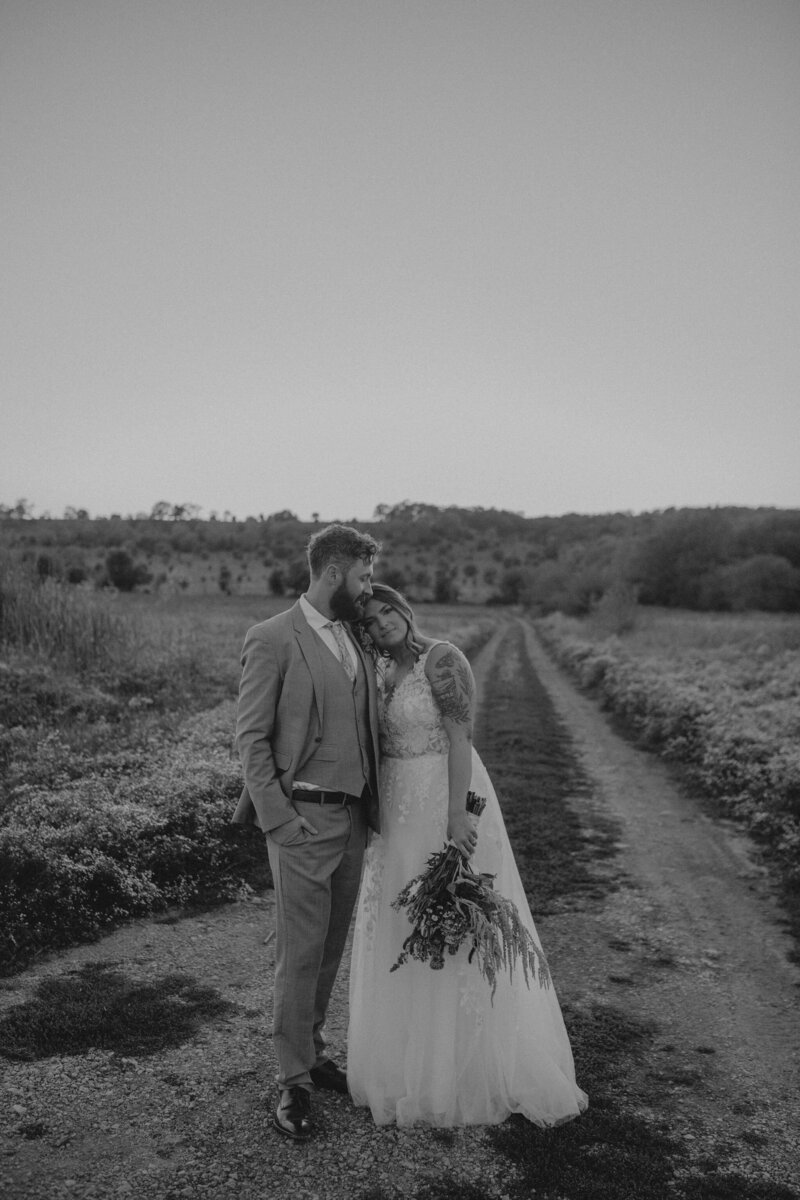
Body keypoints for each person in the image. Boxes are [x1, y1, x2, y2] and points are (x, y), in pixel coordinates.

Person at [347, 583, 588, 1127]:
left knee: (453, 919)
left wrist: (458, 816)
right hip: (398, 810)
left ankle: (466, 1068)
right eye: (371, 618)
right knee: (400, 919)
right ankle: (407, 1064)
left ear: (406, 611)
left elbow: (461, 739)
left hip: (442, 798)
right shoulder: (379, 671)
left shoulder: (443, 659)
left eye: (389, 610)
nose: (383, 622)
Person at [233, 523, 381, 1141]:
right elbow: (250, 739)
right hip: (300, 819)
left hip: (350, 819)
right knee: (297, 955)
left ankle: (314, 1053)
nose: (370, 588)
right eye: (364, 576)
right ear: (332, 573)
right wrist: (279, 821)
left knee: (329, 949)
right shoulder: (272, 638)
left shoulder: (353, 639)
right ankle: (291, 1081)